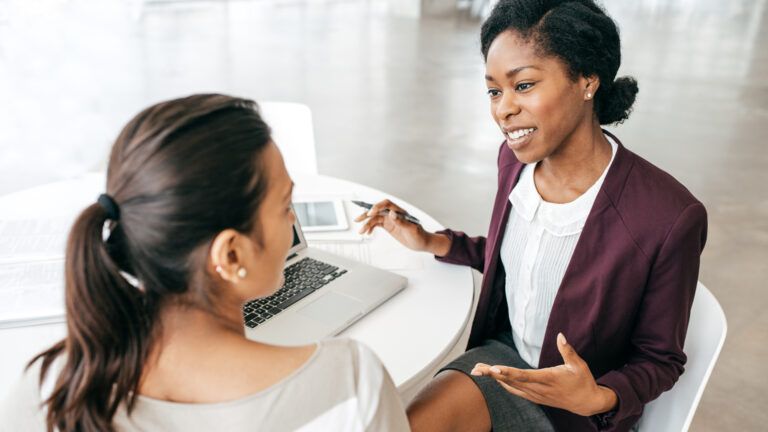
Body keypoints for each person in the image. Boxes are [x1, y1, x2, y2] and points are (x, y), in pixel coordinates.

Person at [355, 1, 707, 431]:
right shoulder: (514, 161)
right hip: (505, 364)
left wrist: (599, 396)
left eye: (523, 86)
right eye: (493, 90)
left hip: (579, 411)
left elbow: (660, 358)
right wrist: (433, 241)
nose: (503, 109)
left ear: (587, 81)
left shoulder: (668, 215)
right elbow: (526, 260)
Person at [0, 94, 410, 432]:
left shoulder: (49, 390)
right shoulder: (350, 383)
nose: (293, 222)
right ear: (231, 255)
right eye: (286, 206)